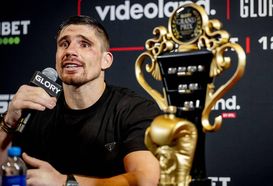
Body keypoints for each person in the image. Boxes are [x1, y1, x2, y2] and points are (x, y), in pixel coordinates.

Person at [0, 15, 161, 185]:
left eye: (84, 44)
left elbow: (145, 180)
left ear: (105, 60)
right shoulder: (35, 109)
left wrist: (66, 182)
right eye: (64, 44)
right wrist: (8, 122)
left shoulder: (134, 110)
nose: (70, 51)